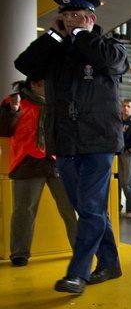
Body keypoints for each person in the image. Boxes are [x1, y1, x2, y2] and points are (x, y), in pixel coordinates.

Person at [15, 0, 127, 294]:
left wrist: (82, 34)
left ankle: (77, 274)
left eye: (75, 16)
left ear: (91, 18)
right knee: (90, 209)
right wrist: (53, 36)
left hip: (99, 140)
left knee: (90, 208)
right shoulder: (55, 52)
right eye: (64, 17)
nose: (68, 21)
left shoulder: (109, 47)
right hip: (64, 142)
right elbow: (24, 64)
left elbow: (110, 62)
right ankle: (110, 263)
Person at [0, 78, 77, 267]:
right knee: (24, 211)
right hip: (27, 162)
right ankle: (19, 253)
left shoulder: (56, 102)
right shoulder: (14, 101)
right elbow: (4, 130)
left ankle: (81, 248)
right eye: (45, 83)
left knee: (70, 208)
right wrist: (14, 110)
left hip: (56, 161)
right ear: (34, 84)